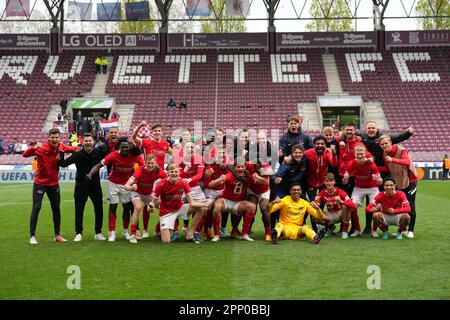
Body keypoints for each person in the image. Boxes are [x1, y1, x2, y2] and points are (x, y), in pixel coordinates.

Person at [23, 128, 78, 245]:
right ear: (49, 137)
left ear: (59, 138)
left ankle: (57, 235)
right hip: (40, 183)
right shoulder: (41, 148)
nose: (54, 139)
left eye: (57, 137)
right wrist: (34, 147)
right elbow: (25, 154)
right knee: (36, 207)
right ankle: (32, 236)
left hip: (54, 184)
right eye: (52, 137)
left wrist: (82, 147)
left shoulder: (61, 146)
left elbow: (74, 149)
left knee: (56, 208)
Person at [86, 137, 145, 242]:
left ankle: (125, 231)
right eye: (122, 147)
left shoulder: (135, 156)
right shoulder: (113, 155)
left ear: (130, 148)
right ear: (119, 148)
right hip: (112, 183)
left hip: (126, 184)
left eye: (127, 147)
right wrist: (90, 174)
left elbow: (144, 166)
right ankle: (112, 232)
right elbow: (99, 165)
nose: (125, 149)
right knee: (113, 206)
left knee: (126, 207)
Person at [58, 133, 105, 241]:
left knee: (99, 209)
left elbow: (109, 155)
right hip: (81, 186)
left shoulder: (98, 152)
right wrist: (61, 151)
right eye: (86, 141)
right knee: (79, 210)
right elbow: (64, 164)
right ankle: (78, 233)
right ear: (82, 142)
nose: (88, 143)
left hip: (95, 186)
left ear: (93, 142)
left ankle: (98, 232)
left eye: (90, 140)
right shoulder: (77, 154)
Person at [149, 164, 212, 244]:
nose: (174, 173)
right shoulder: (161, 184)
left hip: (180, 208)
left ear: (179, 173)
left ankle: (190, 235)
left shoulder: (183, 182)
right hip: (166, 212)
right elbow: (152, 202)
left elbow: (192, 203)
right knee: (166, 241)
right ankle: (161, 228)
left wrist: (205, 204)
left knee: (202, 209)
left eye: (176, 172)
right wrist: (150, 207)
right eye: (172, 172)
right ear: (168, 173)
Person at [378, 135, 418, 238]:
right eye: (382, 144)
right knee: (400, 206)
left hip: (410, 180)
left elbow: (406, 162)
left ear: (391, 143)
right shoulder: (385, 153)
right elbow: (387, 169)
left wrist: (392, 159)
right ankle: (403, 229)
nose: (384, 145)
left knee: (410, 205)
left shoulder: (401, 150)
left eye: (386, 143)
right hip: (398, 181)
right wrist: (373, 168)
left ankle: (411, 230)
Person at [124, 155, 167, 243]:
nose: (150, 165)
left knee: (164, 208)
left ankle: (157, 230)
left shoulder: (159, 171)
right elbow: (126, 185)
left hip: (149, 194)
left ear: (156, 164)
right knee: (138, 207)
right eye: (148, 163)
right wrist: (131, 187)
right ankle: (133, 235)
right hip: (137, 192)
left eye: (152, 163)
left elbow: (168, 180)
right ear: (145, 163)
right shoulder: (140, 170)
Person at [211, 160, 257, 242]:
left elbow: (263, 182)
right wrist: (218, 180)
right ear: (234, 168)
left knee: (252, 207)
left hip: (238, 203)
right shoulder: (229, 175)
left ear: (245, 168)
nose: (240, 168)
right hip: (226, 200)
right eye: (238, 167)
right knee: (217, 207)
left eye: (242, 166)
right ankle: (217, 235)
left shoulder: (248, 176)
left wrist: (259, 179)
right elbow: (211, 184)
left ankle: (244, 234)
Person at [342, 144, 382, 237]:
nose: (359, 156)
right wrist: (345, 178)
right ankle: (357, 229)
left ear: (365, 154)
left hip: (372, 187)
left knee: (376, 208)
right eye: (357, 154)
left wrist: (378, 179)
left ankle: (374, 230)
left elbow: (380, 182)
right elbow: (344, 182)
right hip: (358, 187)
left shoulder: (371, 164)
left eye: (361, 154)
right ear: (354, 154)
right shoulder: (351, 163)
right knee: (352, 207)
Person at [314, 173, 357, 239]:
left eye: (331, 181)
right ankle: (330, 227)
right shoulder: (322, 192)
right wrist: (316, 203)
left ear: (334, 181)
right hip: (330, 214)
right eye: (327, 181)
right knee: (315, 217)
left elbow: (352, 205)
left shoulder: (340, 191)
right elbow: (317, 206)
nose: (329, 183)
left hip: (341, 214)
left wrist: (341, 201)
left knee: (345, 206)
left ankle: (345, 231)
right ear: (324, 182)